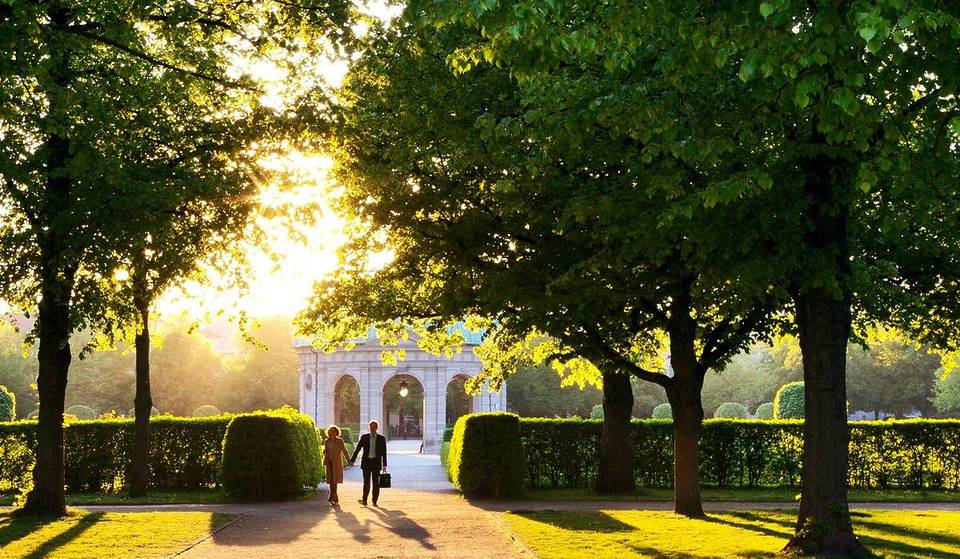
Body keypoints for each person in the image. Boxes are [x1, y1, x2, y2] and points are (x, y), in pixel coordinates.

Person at [349, 420, 387, 506]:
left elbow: (384, 452)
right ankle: (365, 500)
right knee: (366, 482)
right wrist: (352, 460)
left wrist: (384, 464)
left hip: (376, 463)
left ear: (377, 428)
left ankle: (374, 501)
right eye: (371, 427)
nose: (372, 428)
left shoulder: (381, 438)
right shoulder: (364, 437)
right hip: (366, 462)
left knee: (376, 483)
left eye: (374, 427)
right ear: (369, 428)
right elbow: (357, 449)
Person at [323, 425, 350, 507]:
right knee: (330, 481)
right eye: (330, 431)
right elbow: (326, 450)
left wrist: (349, 461)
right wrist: (324, 451)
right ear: (329, 432)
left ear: (336, 432)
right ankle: (335, 499)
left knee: (335, 481)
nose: (332, 432)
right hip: (329, 463)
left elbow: (344, 451)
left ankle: (331, 498)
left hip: (337, 463)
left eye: (333, 431)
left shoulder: (340, 441)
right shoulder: (326, 441)